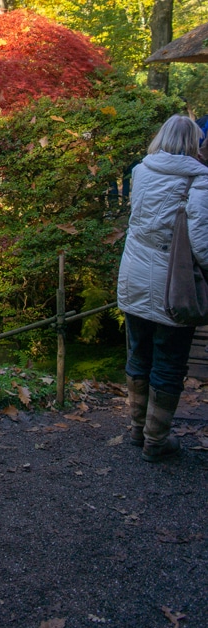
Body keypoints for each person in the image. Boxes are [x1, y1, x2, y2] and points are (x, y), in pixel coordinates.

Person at [117, 114, 208, 462]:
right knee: (169, 361)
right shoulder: (198, 181)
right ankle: (157, 440)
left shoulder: (141, 171)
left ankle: (138, 431)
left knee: (139, 352)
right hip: (172, 281)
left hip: (133, 273)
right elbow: (201, 245)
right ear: (191, 143)